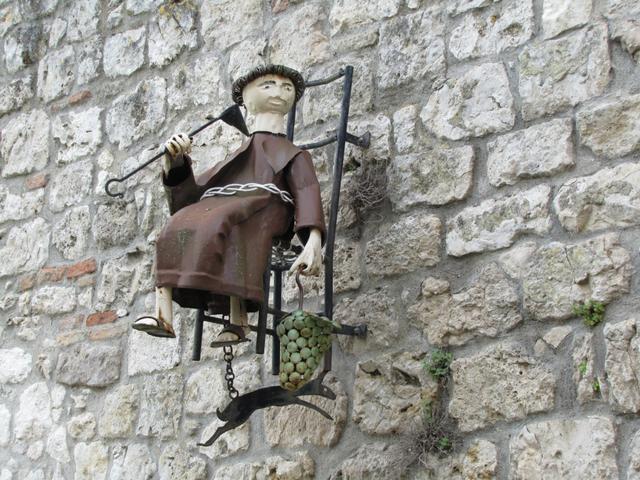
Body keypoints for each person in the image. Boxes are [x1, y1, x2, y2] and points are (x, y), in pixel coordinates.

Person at [132, 64, 326, 347]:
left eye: (286, 87)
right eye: (268, 85)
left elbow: (307, 191)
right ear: (245, 98)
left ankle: (238, 320)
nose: (279, 92)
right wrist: (175, 162)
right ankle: (163, 314)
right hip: (236, 208)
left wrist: (313, 241)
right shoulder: (237, 156)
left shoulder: (294, 155)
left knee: (230, 219)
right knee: (182, 220)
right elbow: (189, 198)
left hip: (269, 209)